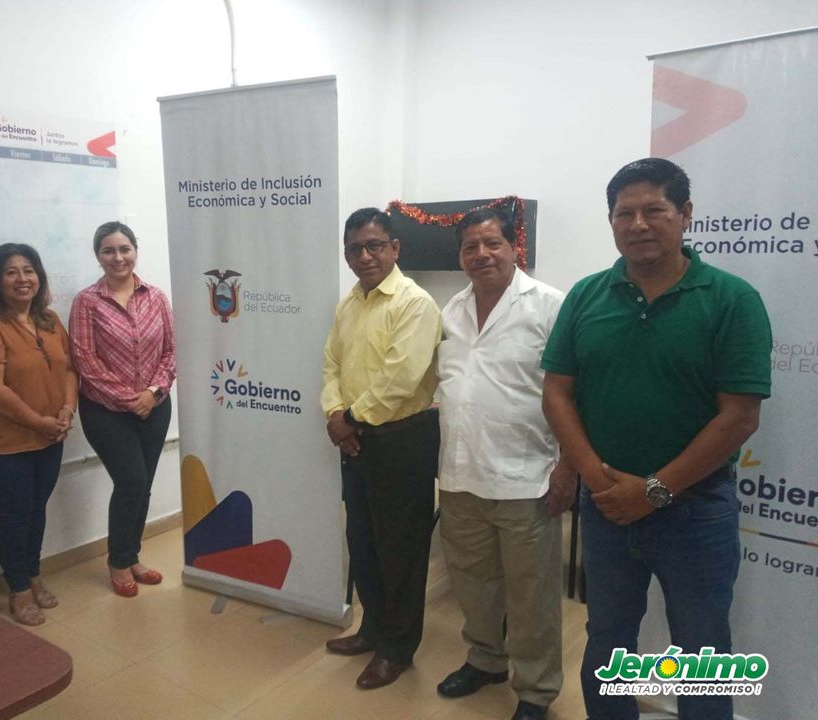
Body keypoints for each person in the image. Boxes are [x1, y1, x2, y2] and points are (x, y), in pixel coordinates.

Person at [541, 158, 772, 720]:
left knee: (702, 648)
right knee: (607, 640)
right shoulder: (586, 296)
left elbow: (739, 417)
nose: (638, 224)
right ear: (611, 221)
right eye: (625, 213)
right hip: (607, 508)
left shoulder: (731, 299)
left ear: (685, 214)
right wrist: (597, 480)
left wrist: (654, 490)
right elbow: (557, 394)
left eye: (654, 210)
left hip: (696, 511)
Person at [436, 208, 573, 720]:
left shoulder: (550, 306)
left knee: (531, 595)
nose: (482, 254)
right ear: (460, 256)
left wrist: (569, 468)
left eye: (492, 243)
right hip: (460, 476)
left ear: (514, 247)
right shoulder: (451, 310)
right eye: (470, 247)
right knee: (473, 585)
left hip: (526, 478)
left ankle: (536, 689)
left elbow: (574, 394)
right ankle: (486, 659)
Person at [321, 207, 441, 690]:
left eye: (374, 246)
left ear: (395, 248)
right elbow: (331, 364)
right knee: (364, 542)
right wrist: (336, 414)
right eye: (355, 249)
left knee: (401, 551)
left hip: (402, 440)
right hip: (356, 441)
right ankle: (372, 628)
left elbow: (401, 377)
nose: (365, 256)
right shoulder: (349, 304)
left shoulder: (415, 303)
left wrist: (348, 419)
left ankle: (397, 648)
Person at [0, 244, 78, 625]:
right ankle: (18, 589)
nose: (22, 279)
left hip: (50, 437)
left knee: (36, 511)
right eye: (11, 272)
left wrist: (66, 410)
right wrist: (38, 421)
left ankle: (33, 575)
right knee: (13, 517)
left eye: (29, 270)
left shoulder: (49, 319)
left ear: (39, 277)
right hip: (5, 445)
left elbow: (69, 369)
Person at [69, 221, 176, 598]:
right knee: (130, 481)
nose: (118, 257)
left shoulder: (156, 297)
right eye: (109, 250)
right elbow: (85, 360)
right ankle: (117, 560)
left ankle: (132, 557)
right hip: (106, 412)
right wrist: (131, 399)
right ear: (98, 256)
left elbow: (171, 350)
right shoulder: (87, 301)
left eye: (125, 249)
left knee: (143, 486)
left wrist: (153, 393)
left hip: (155, 406)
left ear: (135, 251)